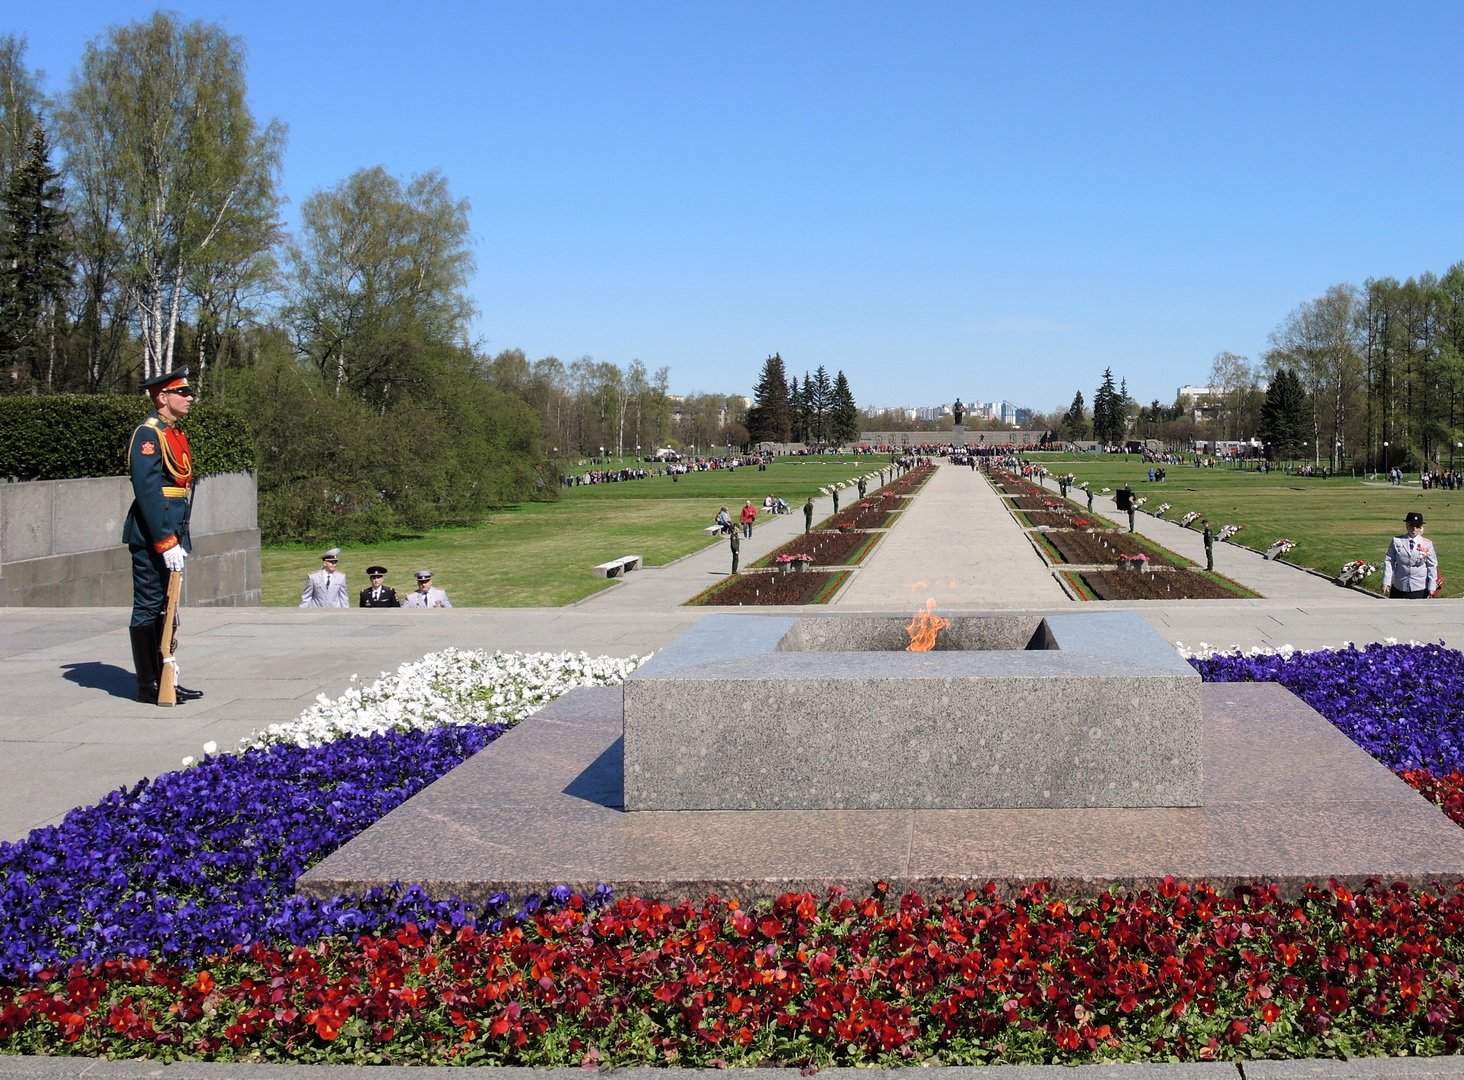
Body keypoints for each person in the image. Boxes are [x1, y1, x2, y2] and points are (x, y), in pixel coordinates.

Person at [124, 366, 203, 705]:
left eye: (189, 392)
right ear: (162, 397)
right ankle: (148, 684)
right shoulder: (148, 434)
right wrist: (166, 541)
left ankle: (165, 672)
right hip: (153, 533)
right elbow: (148, 490)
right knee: (149, 605)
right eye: (182, 392)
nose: (189, 397)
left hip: (173, 527)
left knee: (166, 607)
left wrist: (176, 537)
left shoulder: (174, 433)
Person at [1382, 512, 1437, 599]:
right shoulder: (1397, 541)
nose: (1414, 529)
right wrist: (1386, 581)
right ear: (1407, 526)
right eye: (1411, 525)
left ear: (1421, 527)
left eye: (1417, 526)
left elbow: (1432, 566)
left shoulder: (1427, 544)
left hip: (1419, 586)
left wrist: (1432, 586)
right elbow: (1389, 561)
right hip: (1400, 585)